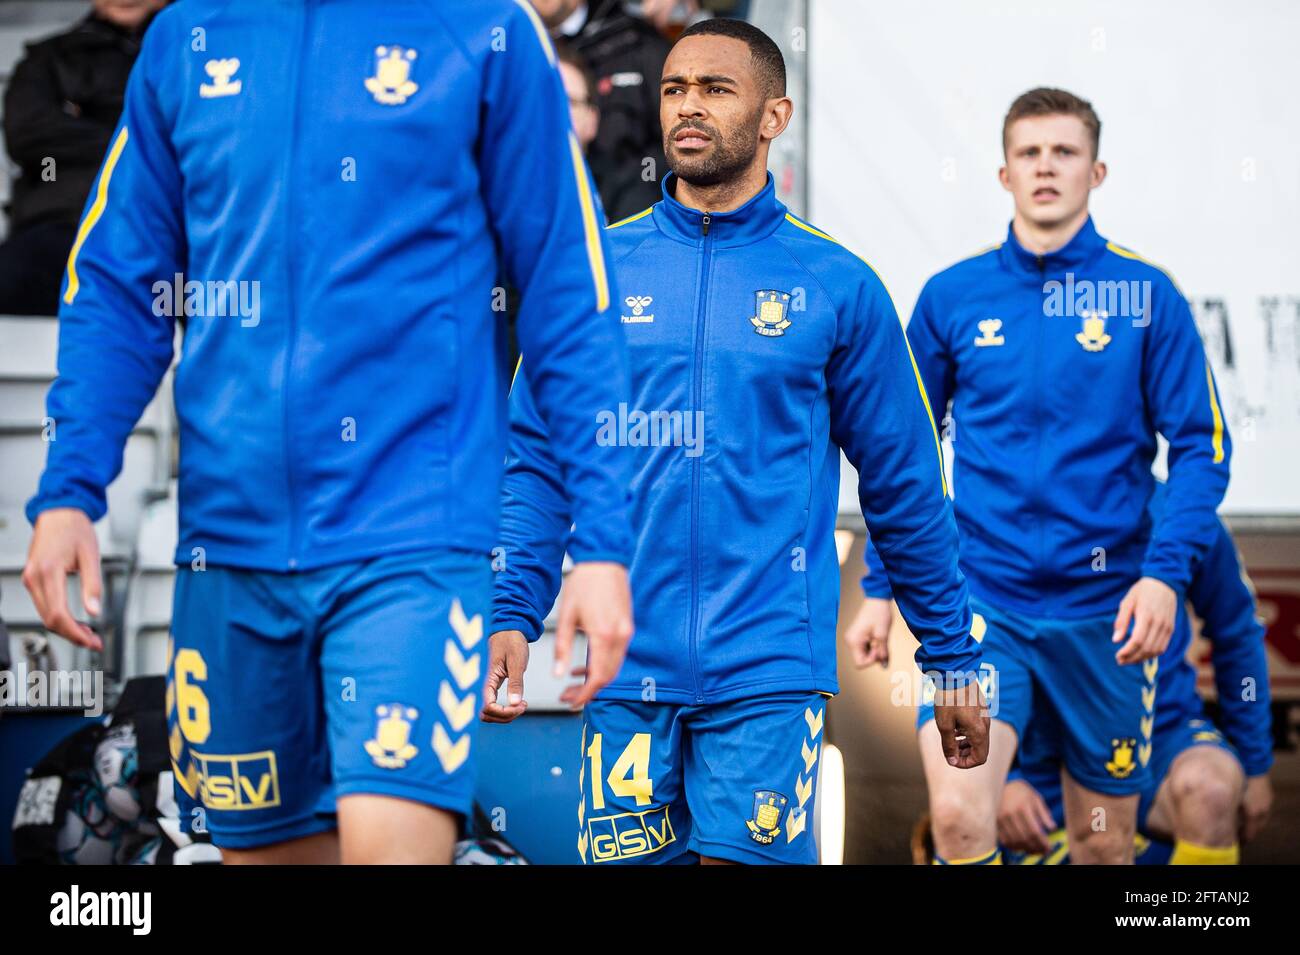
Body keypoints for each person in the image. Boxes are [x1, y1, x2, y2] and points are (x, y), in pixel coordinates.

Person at [23, 0, 634, 865]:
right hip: (230, 556)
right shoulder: (186, 37)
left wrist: (603, 545)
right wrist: (68, 490)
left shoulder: (482, 29)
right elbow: (122, 284)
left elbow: (569, 293)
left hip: (413, 545)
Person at [485, 18, 988, 866]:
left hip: (768, 670)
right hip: (624, 669)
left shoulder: (837, 285)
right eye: (676, 89)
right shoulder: (594, 273)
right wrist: (510, 608)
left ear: (773, 116)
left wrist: (951, 660)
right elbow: (537, 459)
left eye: (716, 90)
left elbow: (907, 486)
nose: (688, 107)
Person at [851, 88, 1231, 864]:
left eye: (1063, 152)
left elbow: (1202, 446)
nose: (1046, 167)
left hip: (1110, 620)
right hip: (981, 613)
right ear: (1003, 173)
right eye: (1030, 153)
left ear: (1097, 170)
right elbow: (907, 458)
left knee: (1102, 846)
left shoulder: (1147, 298)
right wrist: (881, 589)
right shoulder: (952, 296)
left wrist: (1163, 576)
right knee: (958, 819)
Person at [995, 490, 1272, 865]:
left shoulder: (1179, 509)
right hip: (1043, 759)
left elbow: (1237, 632)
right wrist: (997, 779)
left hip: (1160, 740)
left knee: (1212, 788)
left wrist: (1255, 765)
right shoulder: (1001, 503)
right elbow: (965, 643)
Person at [0, 0, 165, 315]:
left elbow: (203, 138)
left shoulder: (195, 56)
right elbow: (29, 134)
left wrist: (83, 119)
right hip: (61, 228)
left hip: (162, 231)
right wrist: (142, 138)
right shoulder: (50, 58)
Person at [534, 0, 673, 222]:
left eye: (568, 102)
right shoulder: (506, 46)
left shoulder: (636, 41)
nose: (555, 112)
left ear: (592, 116)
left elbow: (673, 137)